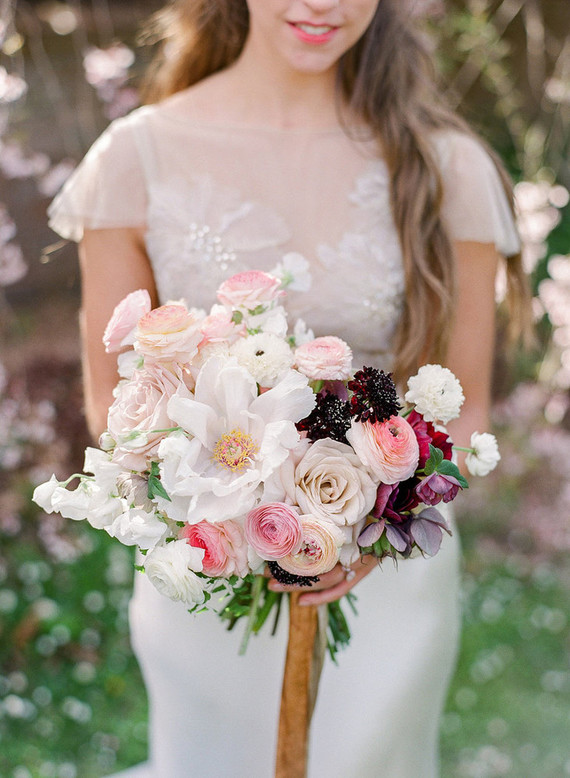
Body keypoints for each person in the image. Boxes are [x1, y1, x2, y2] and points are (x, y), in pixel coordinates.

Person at [47, 1, 529, 776]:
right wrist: (238, 516)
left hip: (386, 583)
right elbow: (115, 405)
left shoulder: (449, 166)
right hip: (207, 572)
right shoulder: (136, 160)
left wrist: (362, 529)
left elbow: (466, 406)